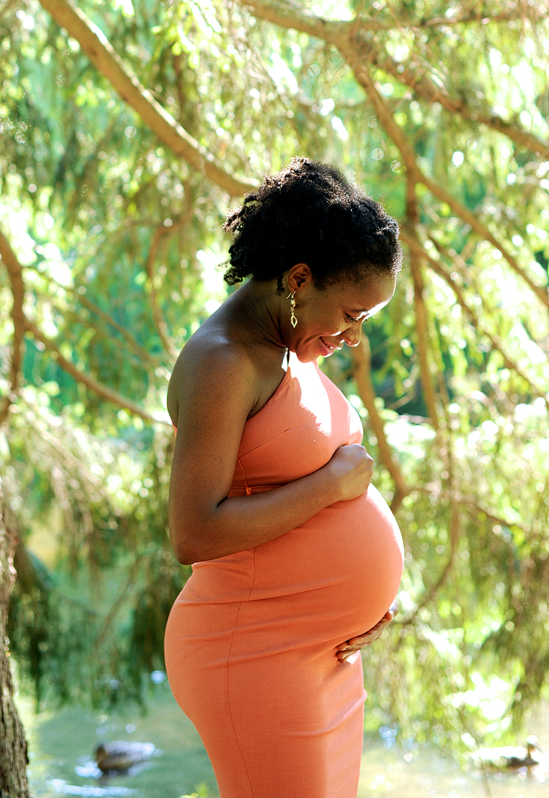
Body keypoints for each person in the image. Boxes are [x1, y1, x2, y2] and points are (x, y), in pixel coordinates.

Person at [164, 158, 405, 798]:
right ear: (299, 278)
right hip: (253, 654)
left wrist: (351, 602)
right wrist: (332, 487)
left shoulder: (284, 349)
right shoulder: (224, 363)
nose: (354, 338)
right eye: (352, 314)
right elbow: (193, 530)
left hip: (317, 653)